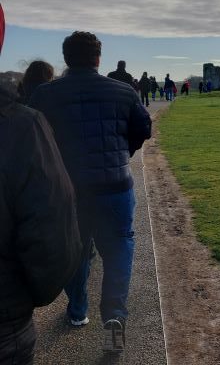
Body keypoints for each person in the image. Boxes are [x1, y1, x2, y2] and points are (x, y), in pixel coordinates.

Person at [30, 31, 151, 354]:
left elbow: (35, 139)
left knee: (76, 250)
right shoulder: (123, 91)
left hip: (70, 189)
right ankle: (114, 316)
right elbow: (143, 129)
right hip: (115, 185)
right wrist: (122, 152)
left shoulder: (45, 95)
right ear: (98, 58)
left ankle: (78, 311)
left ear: (67, 58)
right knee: (120, 248)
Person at [0, 5, 81, 364]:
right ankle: (81, 306)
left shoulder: (34, 106)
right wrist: (28, 296)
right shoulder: (20, 124)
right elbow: (50, 235)